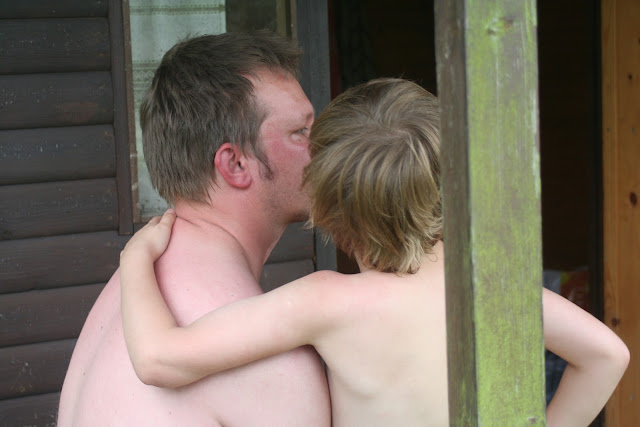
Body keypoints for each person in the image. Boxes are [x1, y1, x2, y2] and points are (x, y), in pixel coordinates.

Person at [120, 78, 630, 426]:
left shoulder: (327, 301)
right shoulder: (489, 286)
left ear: (328, 210)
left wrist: (135, 262)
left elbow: (160, 359)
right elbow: (608, 354)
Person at [57, 31, 331, 426]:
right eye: (300, 132)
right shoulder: (271, 364)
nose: (323, 145)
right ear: (234, 164)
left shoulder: (125, 292)